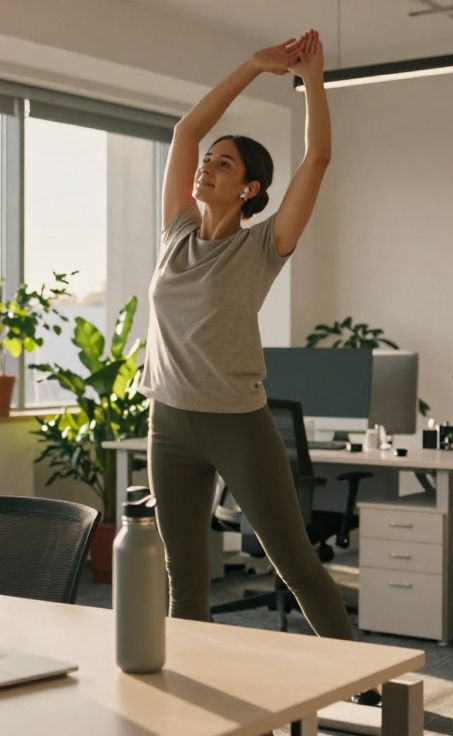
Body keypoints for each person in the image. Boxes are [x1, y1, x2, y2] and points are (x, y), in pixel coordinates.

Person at [141, 30, 357, 645]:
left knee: (296, 567)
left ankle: (365, 691)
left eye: (224, 163)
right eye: (209, 161)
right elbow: (185, 132)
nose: (206, 166)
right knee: (184, 576)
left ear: (250, 190)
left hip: (236, 421)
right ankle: (194, 698)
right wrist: (250, 66)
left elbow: (316, 160)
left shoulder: (264, 246)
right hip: (170, 423)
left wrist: (310, 80)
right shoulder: (176, 231)